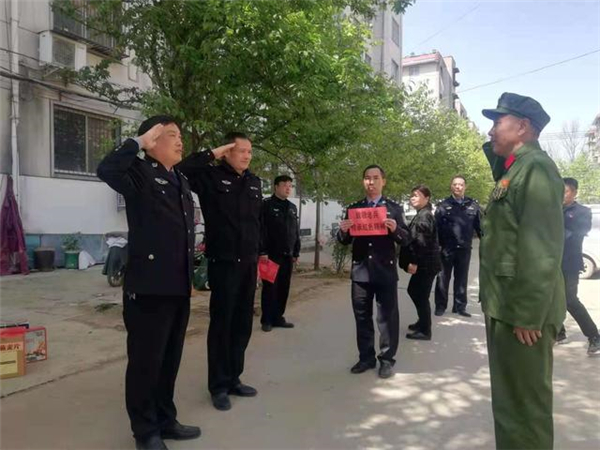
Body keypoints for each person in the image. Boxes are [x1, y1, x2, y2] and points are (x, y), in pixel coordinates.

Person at [97, 116, 203, 450]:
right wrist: (138, 142)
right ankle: (145, 432)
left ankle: (165, 419)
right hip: (148, 288)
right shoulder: (140, 173)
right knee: (146, 363)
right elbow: (106, 169)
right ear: (153, 140)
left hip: (177, 286)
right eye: (171, 135)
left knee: (169, 360)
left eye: (180, 135)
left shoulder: (179, 179)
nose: (179, 140)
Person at [480, 92, 566, 449]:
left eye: (498, 122)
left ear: (523, 127)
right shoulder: (516, 168)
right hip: (506, 304)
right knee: (509, 403)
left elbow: (542, 248)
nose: (491, 130)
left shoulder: (537, 169)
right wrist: (496, 150)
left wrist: (529, 315)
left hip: (522, 311)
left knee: (524, 408)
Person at [177, 132, 262, 412]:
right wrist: (213, 152)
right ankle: (218, 385)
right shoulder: (210, 177)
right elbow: (182, 168)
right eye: (241, 150)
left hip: (248, 263)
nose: (247, 156)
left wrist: (260, 257)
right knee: (222, 325)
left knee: (242, 324)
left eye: (250, 151)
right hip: (224, 263)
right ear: (227, 152)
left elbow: (256, 223)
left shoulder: (254, 182)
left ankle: (234, 377)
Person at [337, 165, 411, 379]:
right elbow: (344, 240)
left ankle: (386, 359)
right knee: (362, 317)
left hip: (385, 271)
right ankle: (366, 357)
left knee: (387, 318)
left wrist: (395, 229)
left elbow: (406, 239)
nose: (371, 182)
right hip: (361, 272)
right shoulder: (354, 208)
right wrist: (342, 230)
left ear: (383, 181)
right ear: (363, 181)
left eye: (376, 178)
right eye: (367, 178)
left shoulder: (394, 208)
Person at [556, 177, 600, 354]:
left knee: (570, 300)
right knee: (552, 298)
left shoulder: (583, 211)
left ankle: (594, 336)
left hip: (570, 263)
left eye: (566, 191)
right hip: (552, 263)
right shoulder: (554, 209)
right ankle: (559, 332)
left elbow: (580, 231)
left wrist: (554, 235)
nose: (562, 194)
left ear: (574, 192)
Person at [434, 175, 481, 317]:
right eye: (455, 184)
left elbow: (480, 227)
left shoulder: (472, 205)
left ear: (465, 187)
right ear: (451, 186)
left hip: (464, 248)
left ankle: (460, 307)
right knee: (443, 278)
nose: (458, 187)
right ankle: (440, 306)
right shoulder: (443, 205)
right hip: (446, 249)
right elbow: (435, 229)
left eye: (461, 184)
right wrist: (436, 248)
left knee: (461, 279)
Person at [399, 185, 441, 340]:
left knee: (420, 295)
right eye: (412, 196)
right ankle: (422, 322)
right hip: (426, 263)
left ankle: (425, 330)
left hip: (425, 264)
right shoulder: (423, 214)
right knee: (415, 291)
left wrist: (414, 262)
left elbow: (421, 243)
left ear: (427, 198)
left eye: (416, 195)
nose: (412, 198)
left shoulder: (424, 216)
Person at [260, 175, 301, 332]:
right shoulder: (266, 205)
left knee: (284, 287)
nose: (288, 188)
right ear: (276, 186)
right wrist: (262, 251)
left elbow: (295, 231)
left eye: (290, 185)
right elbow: (261, 229)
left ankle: (278, 317)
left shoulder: (292, 207)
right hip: (271, 255)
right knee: (270, 287)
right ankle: (267, 320)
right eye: (284, 185)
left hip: (287, 255)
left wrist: (296, 251)